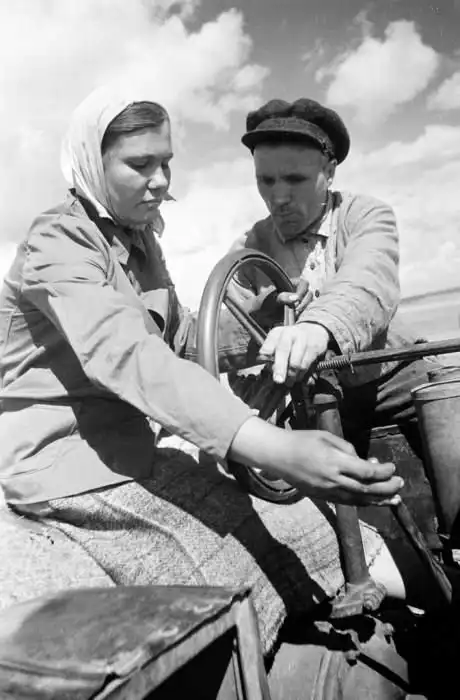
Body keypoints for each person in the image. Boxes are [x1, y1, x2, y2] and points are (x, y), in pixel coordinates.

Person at [0, 87, 405, 661]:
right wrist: (274, 448)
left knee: (293, 530)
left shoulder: (139, 242)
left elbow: (186, 337)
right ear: (93, 162)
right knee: (235, 566)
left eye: (165, 163)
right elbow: (129, 355)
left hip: (136, 447)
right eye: (140, 164)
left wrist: (272, 319)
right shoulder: (58, 242)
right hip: (71, 469)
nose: (161, 180)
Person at [229, 97, 444, 474]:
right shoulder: (247, 251)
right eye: (266, 180)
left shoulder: (365, 215)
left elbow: (368, 279)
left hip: (388, 373)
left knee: (447, 396)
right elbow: (231, 343)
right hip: (309, 395)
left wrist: (317, 326)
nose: (278, 197)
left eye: (295, 179)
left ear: (329, 173)